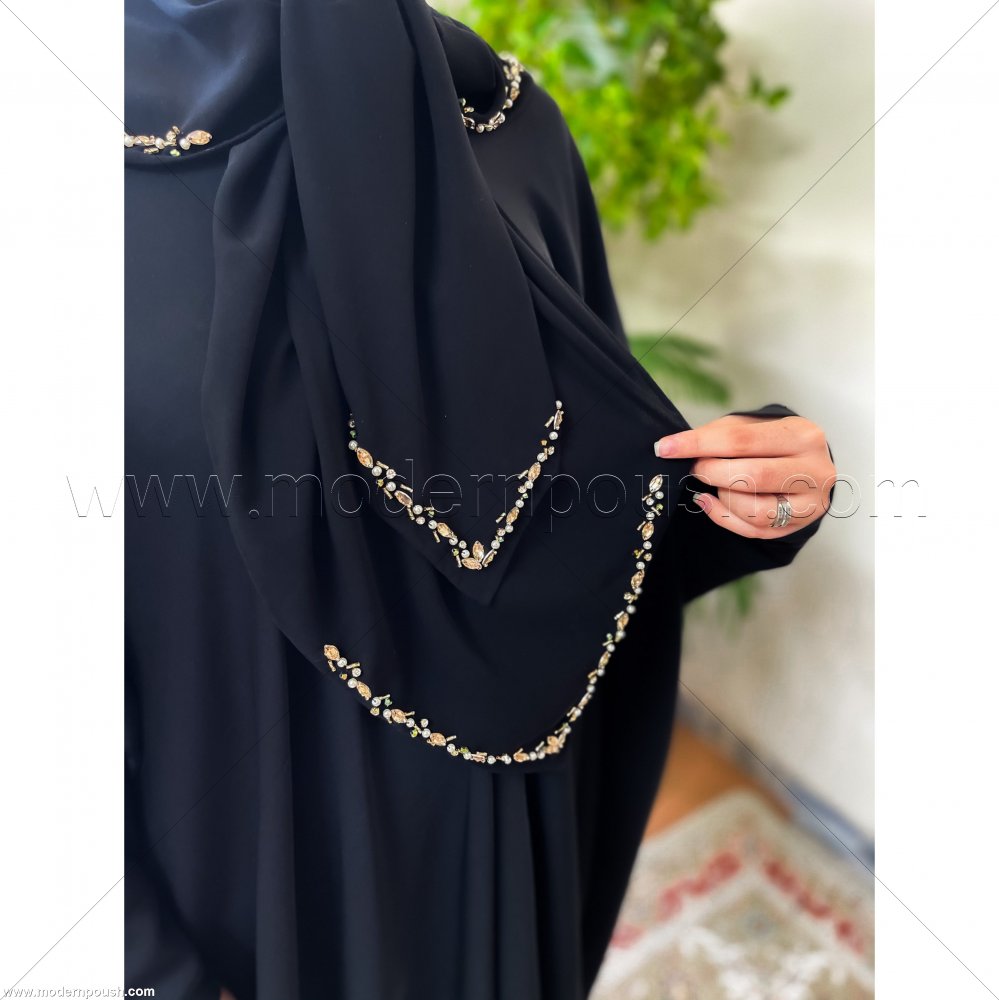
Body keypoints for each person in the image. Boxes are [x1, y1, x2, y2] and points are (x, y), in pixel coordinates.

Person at [124, 1, 835, 997]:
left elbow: (556, 529)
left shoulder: (507, 129)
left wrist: (741, 501)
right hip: (239, 886)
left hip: (504, 844)